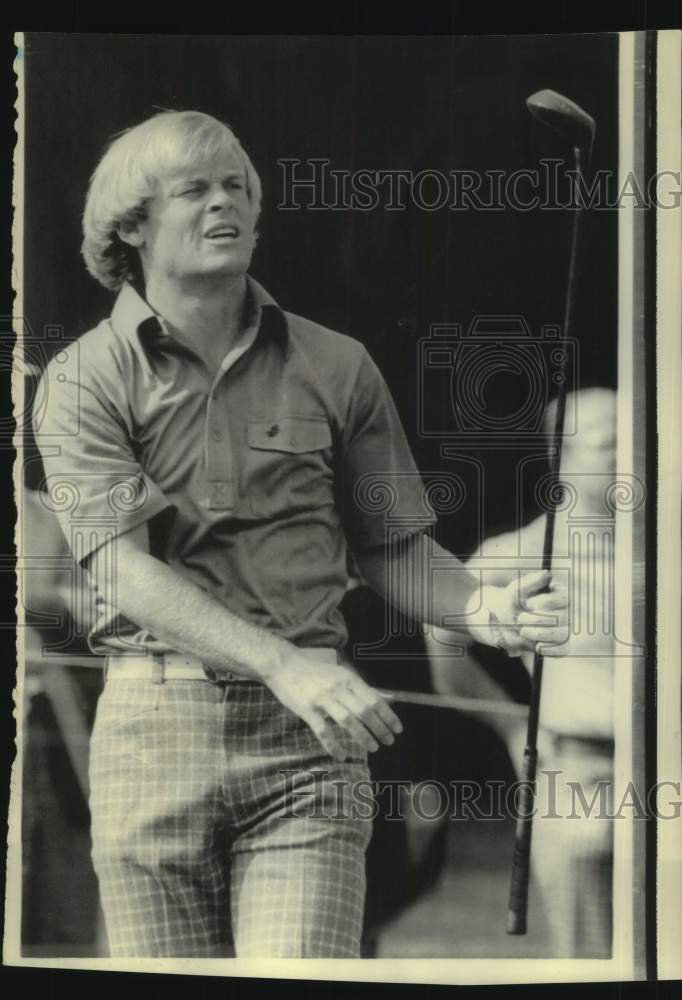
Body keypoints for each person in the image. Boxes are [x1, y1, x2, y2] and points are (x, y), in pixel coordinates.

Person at [32, 110, 569, 958]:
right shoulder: (82, 378)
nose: (228, 204)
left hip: (311, 747)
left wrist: (486, 609)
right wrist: (284, 664)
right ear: (131, 226)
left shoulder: (338, 364)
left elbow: (390, 547)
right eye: (196, 189)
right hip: (151, 732)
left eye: (239, 187)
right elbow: (121, 573)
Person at [426, 388, 617, 957]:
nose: (630, 458)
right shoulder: (517, 554)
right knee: (590, 958)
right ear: (562, 458)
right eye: (610, 446)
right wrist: (512, 729)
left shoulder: (665, 547)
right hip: (577, 774)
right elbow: (444, 631)